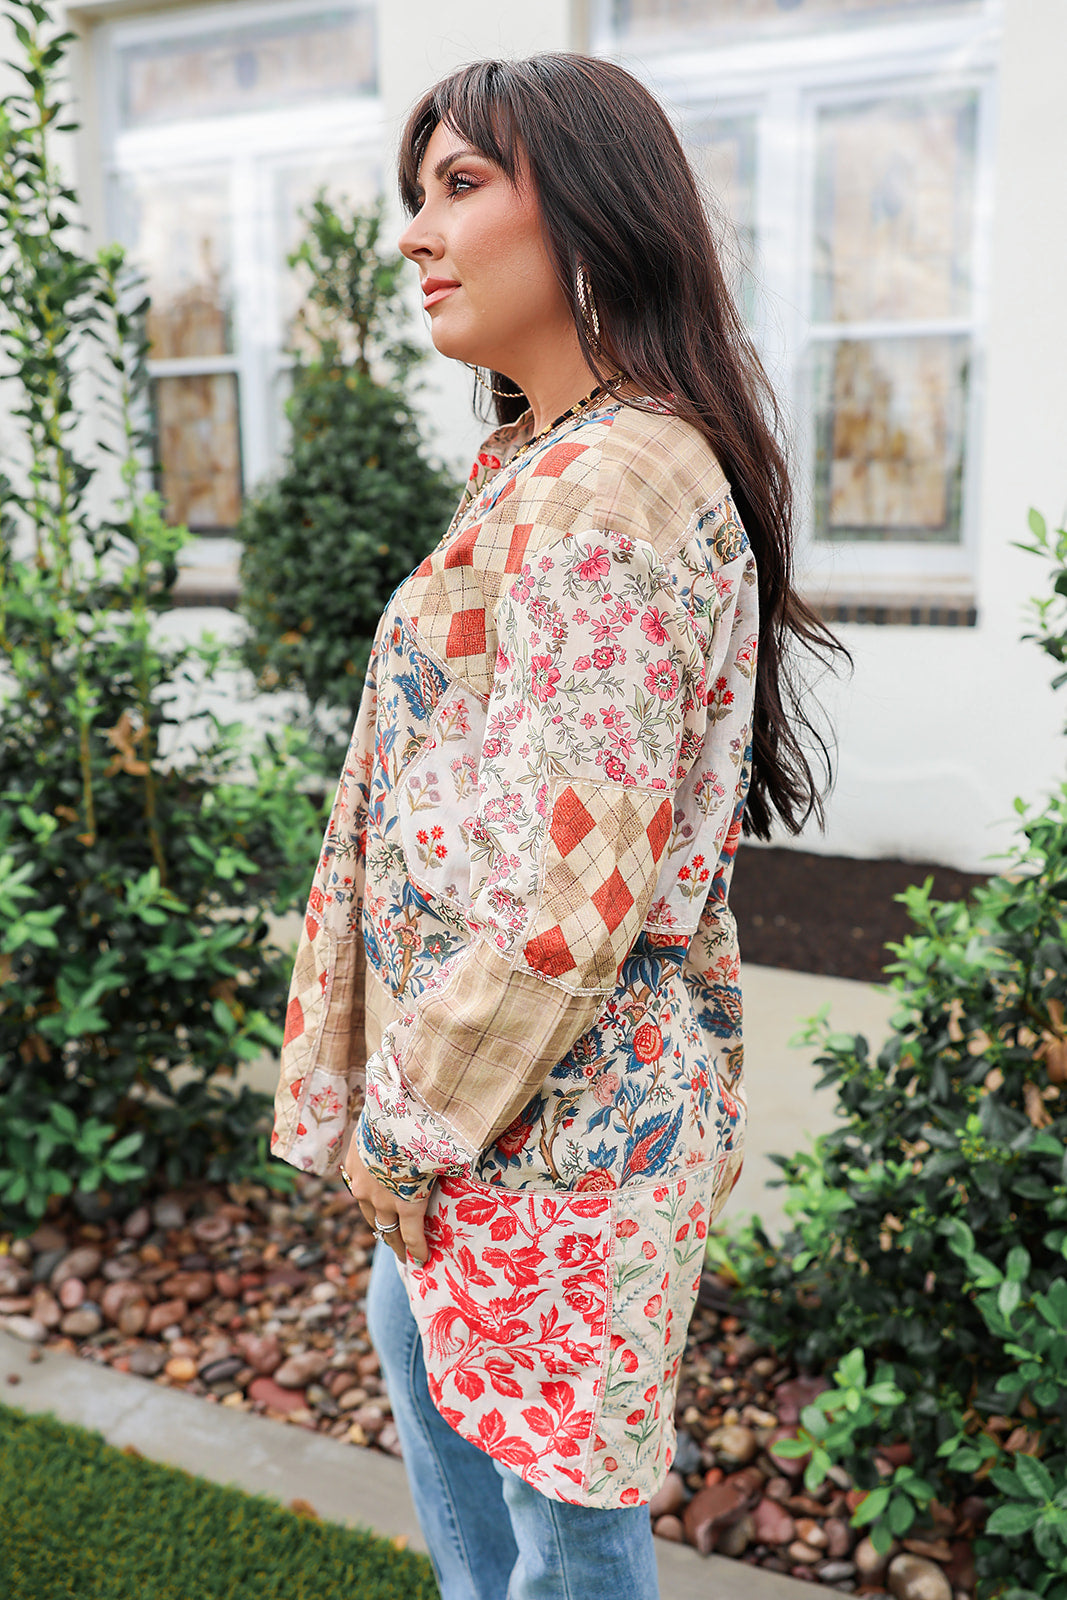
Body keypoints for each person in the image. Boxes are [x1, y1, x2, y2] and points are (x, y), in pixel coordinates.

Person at [271, 52, 846, 1600]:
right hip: (505, 1117)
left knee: (569, 1543)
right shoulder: (549, 458)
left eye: (463, 186)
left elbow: (572, 891)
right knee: (461, 1422)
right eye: (417, 193)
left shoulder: (611, 487)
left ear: (593, 212)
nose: (416, 231)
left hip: (545, 1119)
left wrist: (413, 1121)